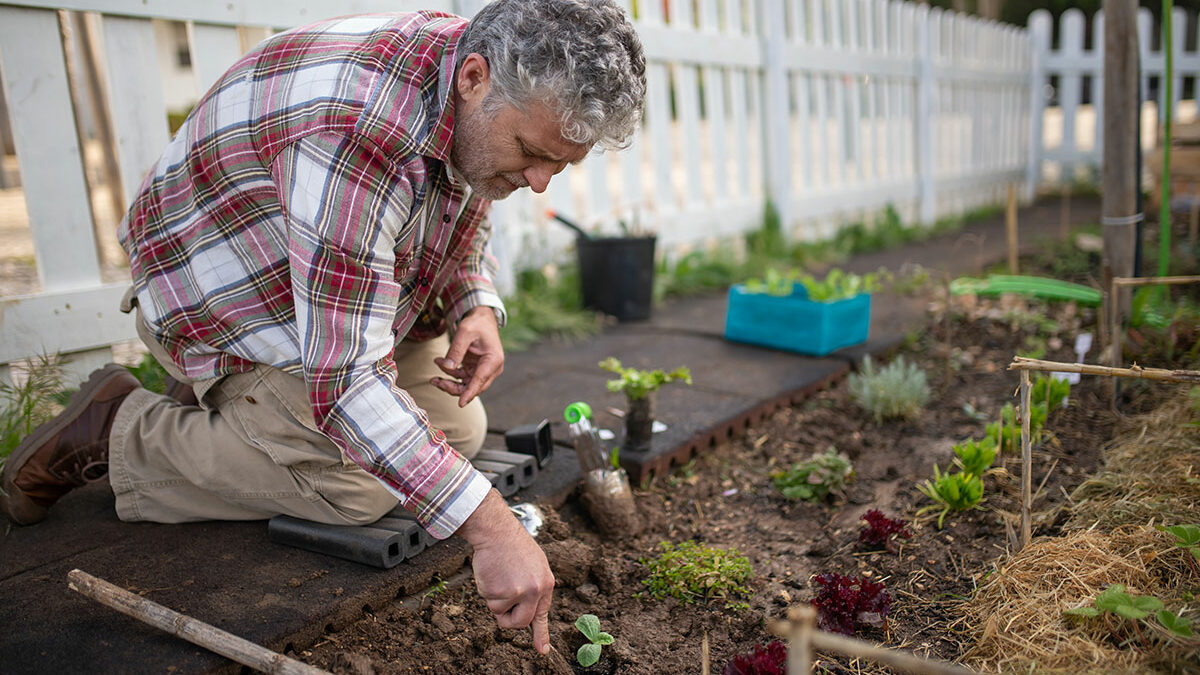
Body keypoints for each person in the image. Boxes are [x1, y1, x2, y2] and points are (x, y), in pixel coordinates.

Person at [1, 0, 645, 655]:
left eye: (558, 167)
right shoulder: (357, 128)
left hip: (310, 291)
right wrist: (492, 528)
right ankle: (123, 432)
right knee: (358, 486)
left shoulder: (468, 81)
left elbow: (469, 189)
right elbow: (344, 384)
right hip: (218, 302)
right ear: (474, 77)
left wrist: (472, 303)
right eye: (532, 154)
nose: (538, 183)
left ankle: (240, 422)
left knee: (460, 426)